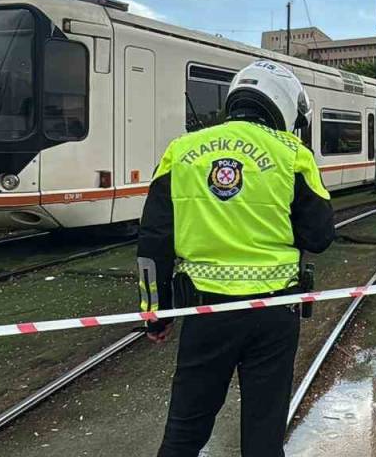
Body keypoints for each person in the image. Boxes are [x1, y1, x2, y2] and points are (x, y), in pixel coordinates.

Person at [136, 60, 336, 457]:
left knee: (184, 430)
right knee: (264, 434)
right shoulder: (293, 154)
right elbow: (320, 236)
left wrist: (156, 313)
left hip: (205, 313)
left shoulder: (181, 151)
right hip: (274, 314)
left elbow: (152, 243)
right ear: (283, 104)